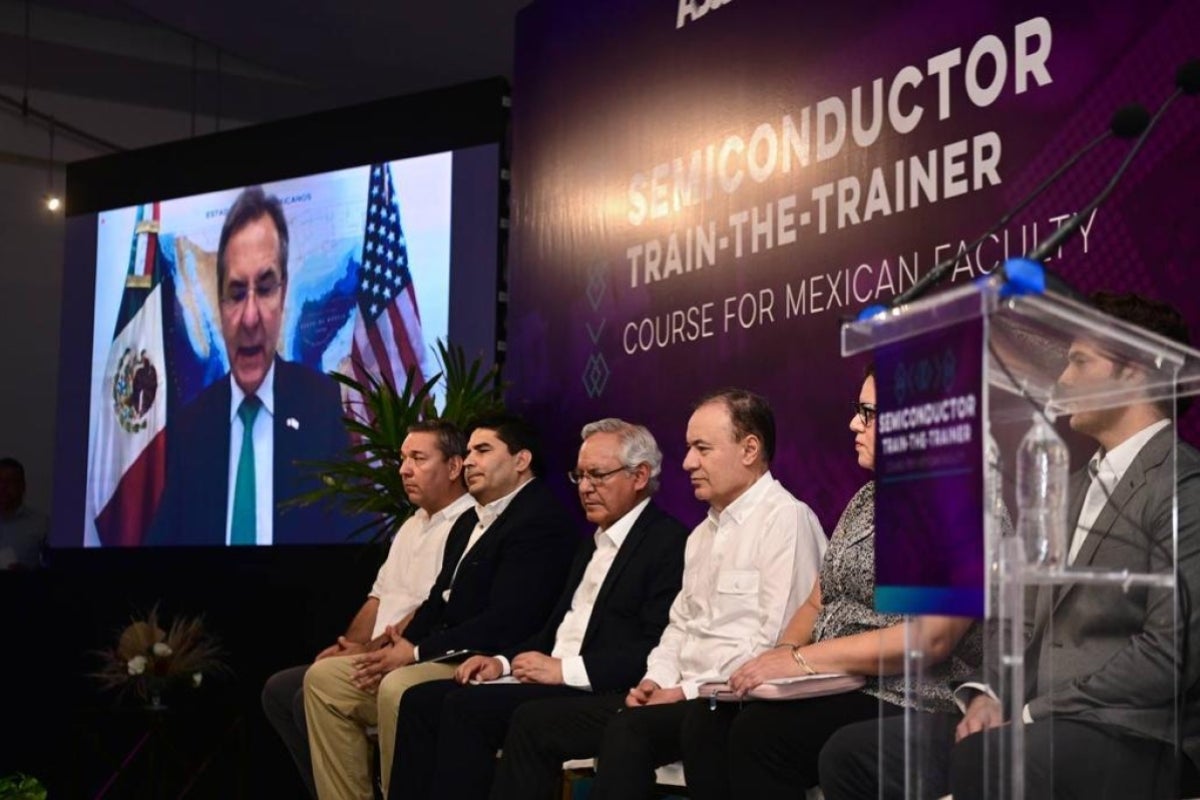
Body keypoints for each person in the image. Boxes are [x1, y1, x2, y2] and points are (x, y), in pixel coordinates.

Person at [821, 292, 1200, 799]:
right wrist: (987, 694)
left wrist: (1027, 710)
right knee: (853, 753)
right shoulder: (1070, 488)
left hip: (1135, 732)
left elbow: (1170, 653)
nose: (1061, 380)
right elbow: (1014, 617)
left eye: (1079, 361)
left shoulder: (1185, 483)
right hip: (1032, 720)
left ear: (1135, 370)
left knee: (987, 761)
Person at [491, 389, 827, 800]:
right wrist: (654, 681)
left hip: (734, 699)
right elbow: (678, 627)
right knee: (551, 722)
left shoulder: (786, 520)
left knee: (629, 730)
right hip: (681, 694)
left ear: (749, 449)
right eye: (688, 448)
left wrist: (681, 692)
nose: (688, 463)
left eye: (702, 448)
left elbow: (772, 645)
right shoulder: (702, 534)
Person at [662, 366, 979, 800]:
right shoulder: (867, 499)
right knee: (707, 720)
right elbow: (817, 600)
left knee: (763, 736)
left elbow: (932, 639)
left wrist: (803, 662)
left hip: (909, 692)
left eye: (868, 413)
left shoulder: (959, 505)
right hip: (836, 681)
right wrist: (779, 656)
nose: (854, 423)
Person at [386, 418, 689, 799]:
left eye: (597, 475)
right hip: (552, 675)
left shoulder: (668, 543)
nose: (585, 488)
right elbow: (552, 631)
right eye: (579, 476)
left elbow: (653, 645)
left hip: (598, 687)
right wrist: (503, 662)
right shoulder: (592, 542)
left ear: (640, 476)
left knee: (470, 710)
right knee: (421, 701)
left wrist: (563, 670)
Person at [303, 413, 577, 800]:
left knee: (398, 686)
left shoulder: (539, 520)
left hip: (484, 659)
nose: (468, 462)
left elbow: (509, 620)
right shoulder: (471, 521)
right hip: (441, 650)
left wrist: (414, 651)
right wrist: (400, 644)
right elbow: (438, 599)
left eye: (482, 451)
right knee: (325, 680)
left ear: (521, 460)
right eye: (467, 452)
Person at [261, 420, 473, 798]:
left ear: (455, 467)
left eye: (418, 458)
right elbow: (379, 597)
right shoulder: (412, 524)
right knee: (279, 691)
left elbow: (431, 610)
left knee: (305, 694)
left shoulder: (468, 525)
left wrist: (367, 652)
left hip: (414, 658)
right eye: (404, 458)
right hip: (376, 651)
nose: (404, 469)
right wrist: (349, 645)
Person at [150, 185, 350, 545]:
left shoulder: (321, 405)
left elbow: (351, 533)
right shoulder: (191, 424)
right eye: (237, 292)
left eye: (267, 288)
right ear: (220, 302)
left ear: (285, 293)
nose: (250, 317)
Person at [0, 458, 49, 570]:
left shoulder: (42, 525)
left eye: (9, 481)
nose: (2, 487)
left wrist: (27, 574)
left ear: (22, 486)